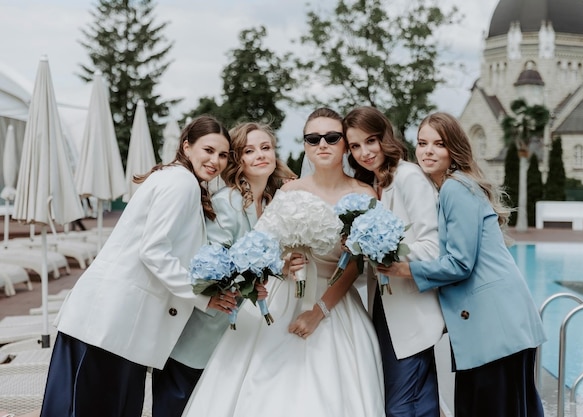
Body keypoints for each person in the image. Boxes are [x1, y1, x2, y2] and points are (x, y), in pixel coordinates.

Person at [182, 108, 385, 417]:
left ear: (345, 143)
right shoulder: (289, 190)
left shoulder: (364, 193)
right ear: (305, 145)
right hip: (282, 298)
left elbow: (356, 265)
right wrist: (283, 261)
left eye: (332, 137)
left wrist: (319, 312)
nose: (323, 145)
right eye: (313, 139)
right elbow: (260, 248)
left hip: (334, 303)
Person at [40, 115, 237, 417]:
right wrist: (202, 297)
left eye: (223, 155)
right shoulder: (181, 183)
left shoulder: (173, 177)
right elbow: (154, 250)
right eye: (208, 150)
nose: (215, 161)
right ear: (187, 146)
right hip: (114, 324)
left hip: (104, 321)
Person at [377, 112, 547, 417]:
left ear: (454, 148)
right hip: (500, 325)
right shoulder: (452, 188)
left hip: (494, 327)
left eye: (438, 144)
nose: (428, 151)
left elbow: (460, 263)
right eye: (422, 143)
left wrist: (407, 269)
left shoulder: (456, 188)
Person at [153, 122, 292, 416]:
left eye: (265, 148)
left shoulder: (272, 203)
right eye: (249, 151)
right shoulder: (226, 203)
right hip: (201, 333)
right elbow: (208, 268)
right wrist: (249, 282)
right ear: (238, 160)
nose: (259, 156)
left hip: (243, 335)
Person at [343, 106, 445, 417]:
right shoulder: (371, 186)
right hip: (384, 311)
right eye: (355, 146)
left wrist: (389, 256)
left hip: (412, 313)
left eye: (370, 141)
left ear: (384, 137)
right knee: (416, 404)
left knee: (401, 408)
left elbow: (433, 247)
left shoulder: (408, 176)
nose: (364, 152)